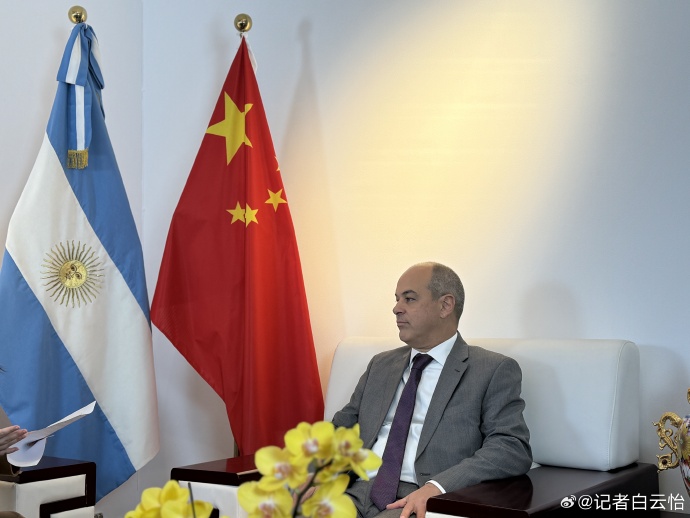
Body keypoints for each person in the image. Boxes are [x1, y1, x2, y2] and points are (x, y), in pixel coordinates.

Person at [332, 262, 532, 518]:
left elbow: (510, 447)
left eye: (409, 299)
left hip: (418, 496)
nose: (396, 308)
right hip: (353, 491)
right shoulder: (381, 365)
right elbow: (340, 429)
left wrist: (438, 487)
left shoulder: (491, 369)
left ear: (445, 305)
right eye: (396, 299)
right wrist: (312, 475)